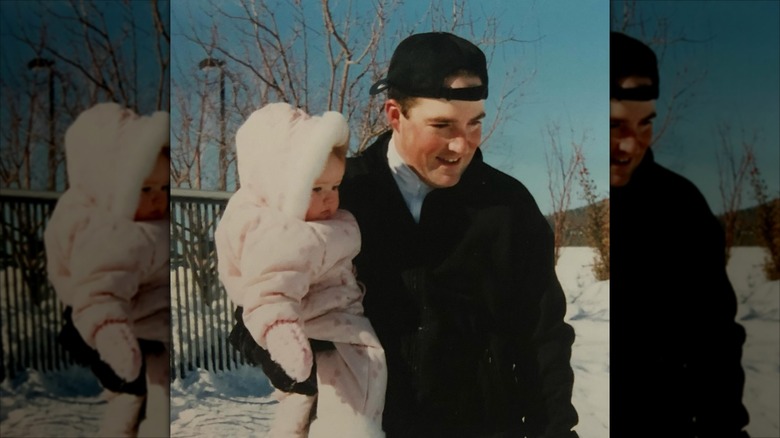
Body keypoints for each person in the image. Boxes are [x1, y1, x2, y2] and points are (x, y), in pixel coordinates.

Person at [339, 32, 579, 438]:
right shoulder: (341, 194)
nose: (460, 145)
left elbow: (543, 338)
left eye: (474, 124)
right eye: (442, 125)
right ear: (395, 114)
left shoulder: (507, 206)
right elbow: (267, 297)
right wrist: (287, 359)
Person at [215, 102, 387, 437]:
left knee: (305, 410)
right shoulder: (282, 233)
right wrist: (283, 337)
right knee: (344, 408)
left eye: (335, 187)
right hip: (320, 331)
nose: (329, 200)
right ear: (281, 187)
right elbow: (270, 292)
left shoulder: (311, 224)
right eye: (316, 189)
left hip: (338, 327)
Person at [609, 31, 750, 437]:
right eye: (614, 125)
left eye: (644, 123)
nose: (629, 144)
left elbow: (716, 341)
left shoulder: (681, 208)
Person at [44, 102, 171, 437]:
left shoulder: (155, 224)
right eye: (145, 189)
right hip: (115, 333)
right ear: (113, 187)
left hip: (152, 333)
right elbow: (100, 291)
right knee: (130, 395)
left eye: (164, 188)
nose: (158, 199)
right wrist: (113, 336)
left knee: (155, 395)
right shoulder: (113, 233)